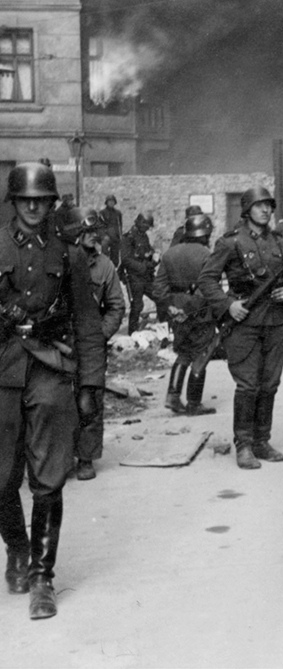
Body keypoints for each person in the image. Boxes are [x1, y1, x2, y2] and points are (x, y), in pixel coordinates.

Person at [0, 162, 105, 619]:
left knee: (48, 477)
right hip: (3, 368)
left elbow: (88, 324)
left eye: (41, 200)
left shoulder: (70, 255)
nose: (33, 207)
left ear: (50, 203)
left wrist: (90, 384)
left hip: (50, 368)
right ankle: (18, 548)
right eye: (26, 199)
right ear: (14, 202)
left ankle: (43, 577)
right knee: (2, 477)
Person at [198, 186, 283, 469]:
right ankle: (244, 444)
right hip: (245, 323)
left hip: (277, 320)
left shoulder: (280, 241)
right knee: (248, 385)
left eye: (269, 205)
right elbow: (206, 280)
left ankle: (262, 441)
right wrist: (228, 304)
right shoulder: (230, 242)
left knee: (270, 384)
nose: (266, 210)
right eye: (259, 205)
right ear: (246, 210)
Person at [72, 209, 126, 481]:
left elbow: (116, 305)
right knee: (57, 401)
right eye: (88, 232)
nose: (95, 236)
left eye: (96, 232)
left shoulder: (104, 266)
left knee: (89, 401)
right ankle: (58, 457)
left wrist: (100, 333)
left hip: (91, 343)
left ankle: (86, 458)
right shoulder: (60, 258)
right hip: (59, 339)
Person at [154, 213, 218, 416]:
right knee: (201, 354)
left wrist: (171, 308)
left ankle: (172, 396)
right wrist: (190, 308)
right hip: (201, 312)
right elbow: (208, 288)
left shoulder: (169, 254)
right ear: (205, 234)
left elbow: (158, 288)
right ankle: (194, 403)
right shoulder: (207, 255)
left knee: (183, 353)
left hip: (175, 311)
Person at [121, 211, 159, 334]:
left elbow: (147, 252)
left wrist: (154, 257)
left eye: (148, 227)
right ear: (140, 223)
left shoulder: (144, 236)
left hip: (147, 276)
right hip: (135, 277)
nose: (147, 229)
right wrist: (143, 267)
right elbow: (126, 260)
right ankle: (132, 333)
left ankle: (162, 327)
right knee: (137, 306)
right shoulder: (128, 238)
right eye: (146, 226)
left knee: (160, 296)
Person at [99, 195, 124, 271]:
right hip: (106, 235)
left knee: (115, 253)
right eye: (109, 201)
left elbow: (120, 225)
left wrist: (120, 236)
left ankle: (114, 267)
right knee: (105, 244)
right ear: (106, 202)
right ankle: (104, 264)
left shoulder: (118, 213)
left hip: (115, 236)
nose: (111, 203)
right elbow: (100, 226)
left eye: (113, 201)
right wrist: (104, 234)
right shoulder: (102, 213)